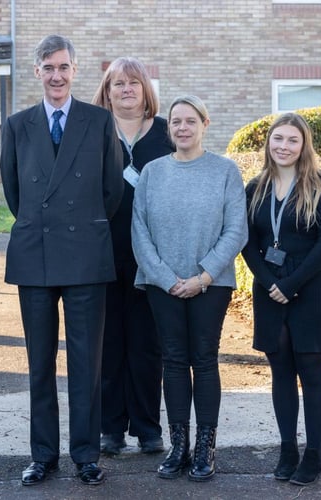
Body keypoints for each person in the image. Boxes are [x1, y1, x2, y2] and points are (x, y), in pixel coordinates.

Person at [0, 34, 124, 486]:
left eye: (64, 67)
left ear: (75, 71)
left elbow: (111, 190)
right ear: (37, 72)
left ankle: (87, 455)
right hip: (36, 255)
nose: (57, 76)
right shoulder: (17, 125)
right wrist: (43, 223)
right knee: (38, 363)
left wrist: (83, 226)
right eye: (48, 68)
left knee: (86, 363)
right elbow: (15, 192)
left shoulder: (99, 121)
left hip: (86, 256)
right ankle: (43, 455)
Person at [132, 95, 247, 482]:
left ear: (204, 124)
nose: (182, 128)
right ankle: (178, 445)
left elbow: (237, 229)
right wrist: (165, 278)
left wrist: (204, 276)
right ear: (170, 129)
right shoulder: (152, 172)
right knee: (174, 361)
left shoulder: (225, 171)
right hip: (161, 284)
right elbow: (139, 231)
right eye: (176, 122)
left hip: (211, 285)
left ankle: (204, 447)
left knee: (204, 359)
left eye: (190, 121)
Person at [241, 112, 321, 486]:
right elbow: (248, 242)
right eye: (277, 139)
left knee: (312, 370)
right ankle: (288, 450)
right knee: (281, 371)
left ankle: (314, 454)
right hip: (270, 287)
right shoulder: (255, 189)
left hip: (313, 288)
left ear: (304, 146)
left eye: (292, 140)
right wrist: (270, 281)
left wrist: (292, 283)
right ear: (268, 143)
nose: (283, 146)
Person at [91, 57, 174, 456]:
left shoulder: (164, 135)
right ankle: (110, 427)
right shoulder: (92, 132)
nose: (126, 90)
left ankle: (147, 427)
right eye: (118, 84)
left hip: (152, 257)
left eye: (133, 84)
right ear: (107, 92)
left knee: (146, 344)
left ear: (146, 91)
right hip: (102, 253)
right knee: (108, 344)